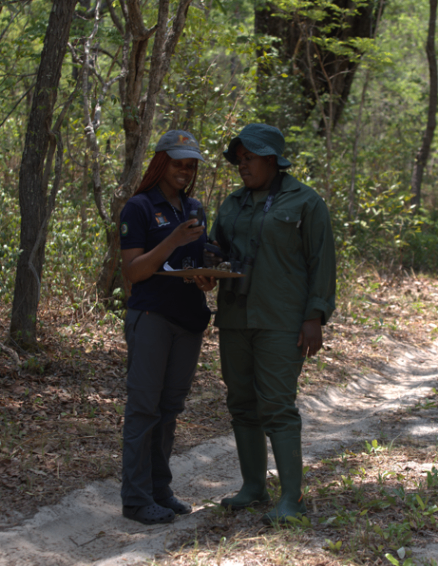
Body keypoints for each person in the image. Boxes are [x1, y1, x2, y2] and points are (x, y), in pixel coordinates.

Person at [211, 123, 336, 525]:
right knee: (241, 402)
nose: (242, 166)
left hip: (281, 319)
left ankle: (292, 499)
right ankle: (253, 487)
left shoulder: (306, 202)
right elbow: (218, 251)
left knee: (277, 406)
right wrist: (205, 267)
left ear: (272, 159)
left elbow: (322, 262)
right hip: (234, 318)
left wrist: (314, 316)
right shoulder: (232, 203)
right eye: (239, 159)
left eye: (250, 158)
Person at [118, 130, 216, 525]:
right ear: (161, 163)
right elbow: (134, 271)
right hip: (152, 317)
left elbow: (194, 263)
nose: (185, 171)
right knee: (144, 409)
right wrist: (173, 240)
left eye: (191, 165)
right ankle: (136, 499)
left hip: (188, 320)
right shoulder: (139, 208)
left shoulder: (195, 208)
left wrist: (207, 278)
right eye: (179, 163)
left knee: (169, 409)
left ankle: (160, 490)